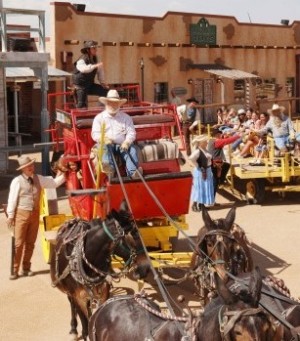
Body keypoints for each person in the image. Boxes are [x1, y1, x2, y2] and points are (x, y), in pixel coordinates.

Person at [6, 156, 65, 280]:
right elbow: (12, 199)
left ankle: (26, 268)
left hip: (35, 214)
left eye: (32, 165)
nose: (31, 168)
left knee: (30, 243)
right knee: (18, 243)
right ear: (22, 169)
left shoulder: (39, 178)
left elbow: (53, 183)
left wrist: (67, 173)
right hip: (21, 214)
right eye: (28, 167)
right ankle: (15, 269)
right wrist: (11, 215)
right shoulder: (17, 181)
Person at [91, 89, 141, 178]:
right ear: (106, 103)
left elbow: (131, 132)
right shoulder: (99, 118)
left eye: (115, 103)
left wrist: (127, 142)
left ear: (119, 104)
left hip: (122, 144)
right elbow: (95, 134)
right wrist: (104, 139)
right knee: (103, 147)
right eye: (110, 102)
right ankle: (109, 170)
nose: (113, 105)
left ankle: (133, 173)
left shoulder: (126, 117)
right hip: (106, 144)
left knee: (132, 149)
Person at [72, 40, 109, 108]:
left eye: (96, 48)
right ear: (88, 50)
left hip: (90, 85)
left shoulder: (96, 59)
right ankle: (79, 117)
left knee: (105, 91)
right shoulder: (82, 60)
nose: (96, 50)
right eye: (94, 48)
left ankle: (101, 110)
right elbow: (84, 69)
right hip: (80, 86)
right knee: (81, 105)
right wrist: (95, 66)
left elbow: (100, 71)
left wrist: (103, 83)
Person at [208, 127, 242, 199]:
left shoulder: (212, 140)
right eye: (220, 134)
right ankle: (220, 182)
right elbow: (227, 141)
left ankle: (221, 181)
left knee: (226, 166)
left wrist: (225, 135)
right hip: (215, 164)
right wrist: (238, 136)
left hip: (213, 163)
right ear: (217, 135)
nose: (221, 135)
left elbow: (224, 139)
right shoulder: (217, 141)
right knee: (215, 183)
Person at [188, 135, 214, 212]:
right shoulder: (198, 151)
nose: (207, 142)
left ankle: (201, 205)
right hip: (201, 172)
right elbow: (191, 158)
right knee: (199, 188)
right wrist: (197, 165)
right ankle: (194, 205)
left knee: (204, 187)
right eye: (205, 141)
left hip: (207, 170)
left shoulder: (204, 150)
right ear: (201, 143)